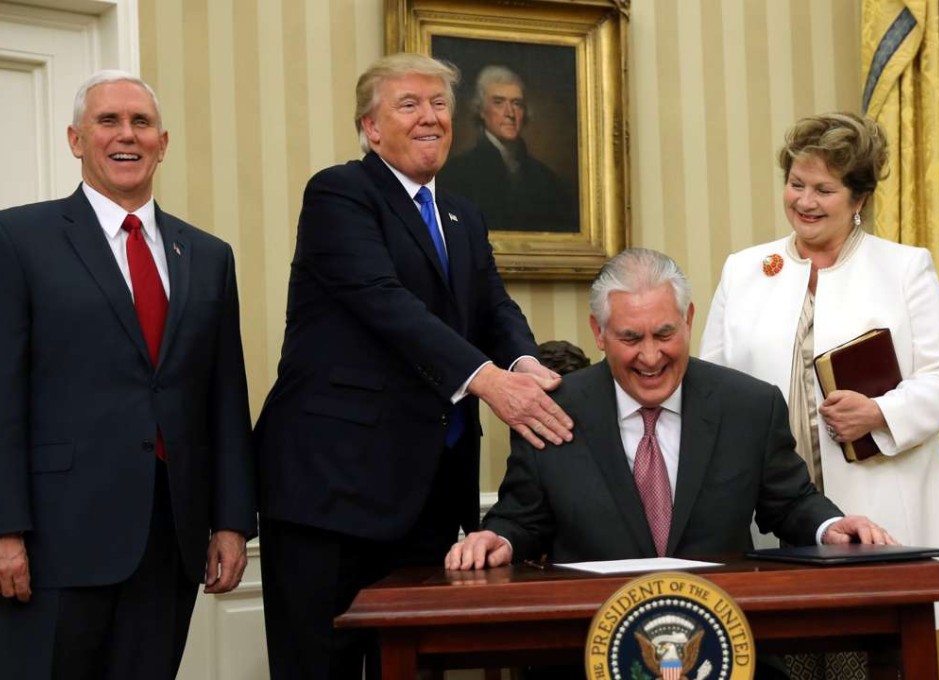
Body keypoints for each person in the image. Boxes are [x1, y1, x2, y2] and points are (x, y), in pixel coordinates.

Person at [254, 52, 574, 679]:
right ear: (370, 128)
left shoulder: (461, 213)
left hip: (428, 494)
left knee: (414, 668)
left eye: (439, 105)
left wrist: (525, 361)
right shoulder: (340, 193)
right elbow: (384, 303)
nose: (430, 118)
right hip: (331, 494)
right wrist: (489, 381)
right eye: (409, 105)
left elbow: (492, 303)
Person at [446, 249, 894, 679]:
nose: (650, 356)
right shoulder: (550, 411)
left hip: (727, 651)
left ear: (689, 320)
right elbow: (522, 519)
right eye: (630, 338)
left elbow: (791, 502)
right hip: (584, 654)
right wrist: (498, 537)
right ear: (599, 333)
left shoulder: (749, 406)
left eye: (664, 334)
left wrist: (830, 527)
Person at [0, 70, 256, 679]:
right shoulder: (18, 238)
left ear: (162, 142)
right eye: (107, 121)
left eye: (141, 123)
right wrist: (4, 528)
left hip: (170, 538)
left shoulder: (208, 256)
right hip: (55, 540)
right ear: (75, 139)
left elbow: (224, 397)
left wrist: (231, 523)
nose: (126, 135)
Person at [700, 112, 939, 675]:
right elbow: (713, 387)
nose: (805, 201)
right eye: (796, 184)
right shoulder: (746, 270)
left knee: (870, 661)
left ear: (859, 198)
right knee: (782, 658)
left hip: (876, 512)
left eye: (824, 189)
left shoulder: (904, 269)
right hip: (773, 516)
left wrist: (880, 411)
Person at [440, 64, 579, 233]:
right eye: (498, 102)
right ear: (482, 110)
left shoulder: (547, 179)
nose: (510, 113)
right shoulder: (457, 173)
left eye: (517, 103)